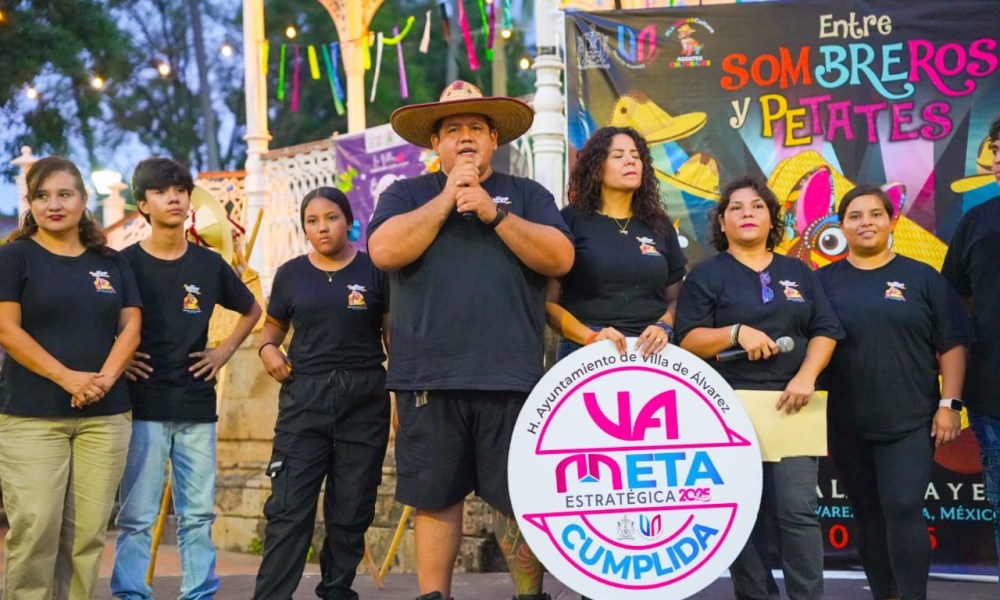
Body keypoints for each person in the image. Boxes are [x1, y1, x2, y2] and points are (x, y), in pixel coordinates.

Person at [367, 80, 575, 600]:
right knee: (435, 498)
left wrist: (493, 212)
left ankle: (529, 596)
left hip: (511, 376)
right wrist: (447, 197)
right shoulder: (405, 195)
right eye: (453, 128)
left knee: (517, 497)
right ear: (435, 143)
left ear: (493, 139)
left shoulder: (527, 195)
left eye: (477, 128)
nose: (465, 137)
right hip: (428, 378)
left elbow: (560, 257)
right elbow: (384, 251)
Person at [674, 175, 843, 600]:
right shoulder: (705, 275)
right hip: (728, 409)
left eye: (756, 206)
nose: (746, 213)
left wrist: (806, 376)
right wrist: (734, 333)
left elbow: (826, 330)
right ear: (722, 222)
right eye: (736, 207)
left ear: (772, 218)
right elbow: (688, 339)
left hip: (794, 404)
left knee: (798, 513)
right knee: (742, 515)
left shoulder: (798, 271)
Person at [111, 157, 261, 599]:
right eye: (161, 191)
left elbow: (252, 309)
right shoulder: (124, 263)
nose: (174, 198)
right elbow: (98, 318)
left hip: (197, 403)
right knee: (137, 515)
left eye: (180, 190)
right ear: (143, 204)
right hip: (143, 404)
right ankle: (131, 593)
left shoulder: (208, 264)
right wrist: (118, 358)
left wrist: (223, 352)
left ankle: (198, 592)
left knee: (197, 514)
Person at [818, 185, 971, 600]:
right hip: (845, 422)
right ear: (841, 226)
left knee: (903, 508)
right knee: (867, 514)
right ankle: (884, 594)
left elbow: (953, 344)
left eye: (875, 214)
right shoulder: (822, 283)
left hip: (911, 420)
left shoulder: (923, 278)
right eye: (855, 216)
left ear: (892, 221)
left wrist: (950, 404)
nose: (865, 222)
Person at [0, 156, 142, 599]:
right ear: (31, 203)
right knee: (36, 526)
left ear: (84, 200)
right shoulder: (14, 256)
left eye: (64, 194)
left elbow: (131, 328)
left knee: (87, 535)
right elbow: (6, 329)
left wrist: (101, 382)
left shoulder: (111, 261)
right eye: (42, 196)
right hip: (31, 417)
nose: (53, 205)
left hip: (105, 417)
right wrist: (69, 379)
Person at [253, 187, 390, 599]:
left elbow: (393, 338)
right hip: (304, 399)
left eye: (331, 218)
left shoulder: (375, 270)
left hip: (364, 397)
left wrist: (402, 396)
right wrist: (267, 350)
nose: (322, 227)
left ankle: (336, 590)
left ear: (349, 222)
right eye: (312, 221)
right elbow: (272, 329)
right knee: (288, 507)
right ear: (304, 229)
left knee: (352, 507)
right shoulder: (291, 274)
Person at [546, 126, 686, 360]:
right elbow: (548, 303)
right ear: (596, 169)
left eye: (636, 156)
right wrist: (591, 337)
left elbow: (677, 298)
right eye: (618, 156)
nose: (630, 161)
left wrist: (664, 325)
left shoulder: (659, 224)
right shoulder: (570, 221)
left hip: (652, 353)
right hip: (585, 352)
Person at [942, 114, 1000, 583]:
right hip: (993, 391)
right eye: (996, 150)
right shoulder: (977, 221)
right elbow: (952, 300)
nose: (999, 159)